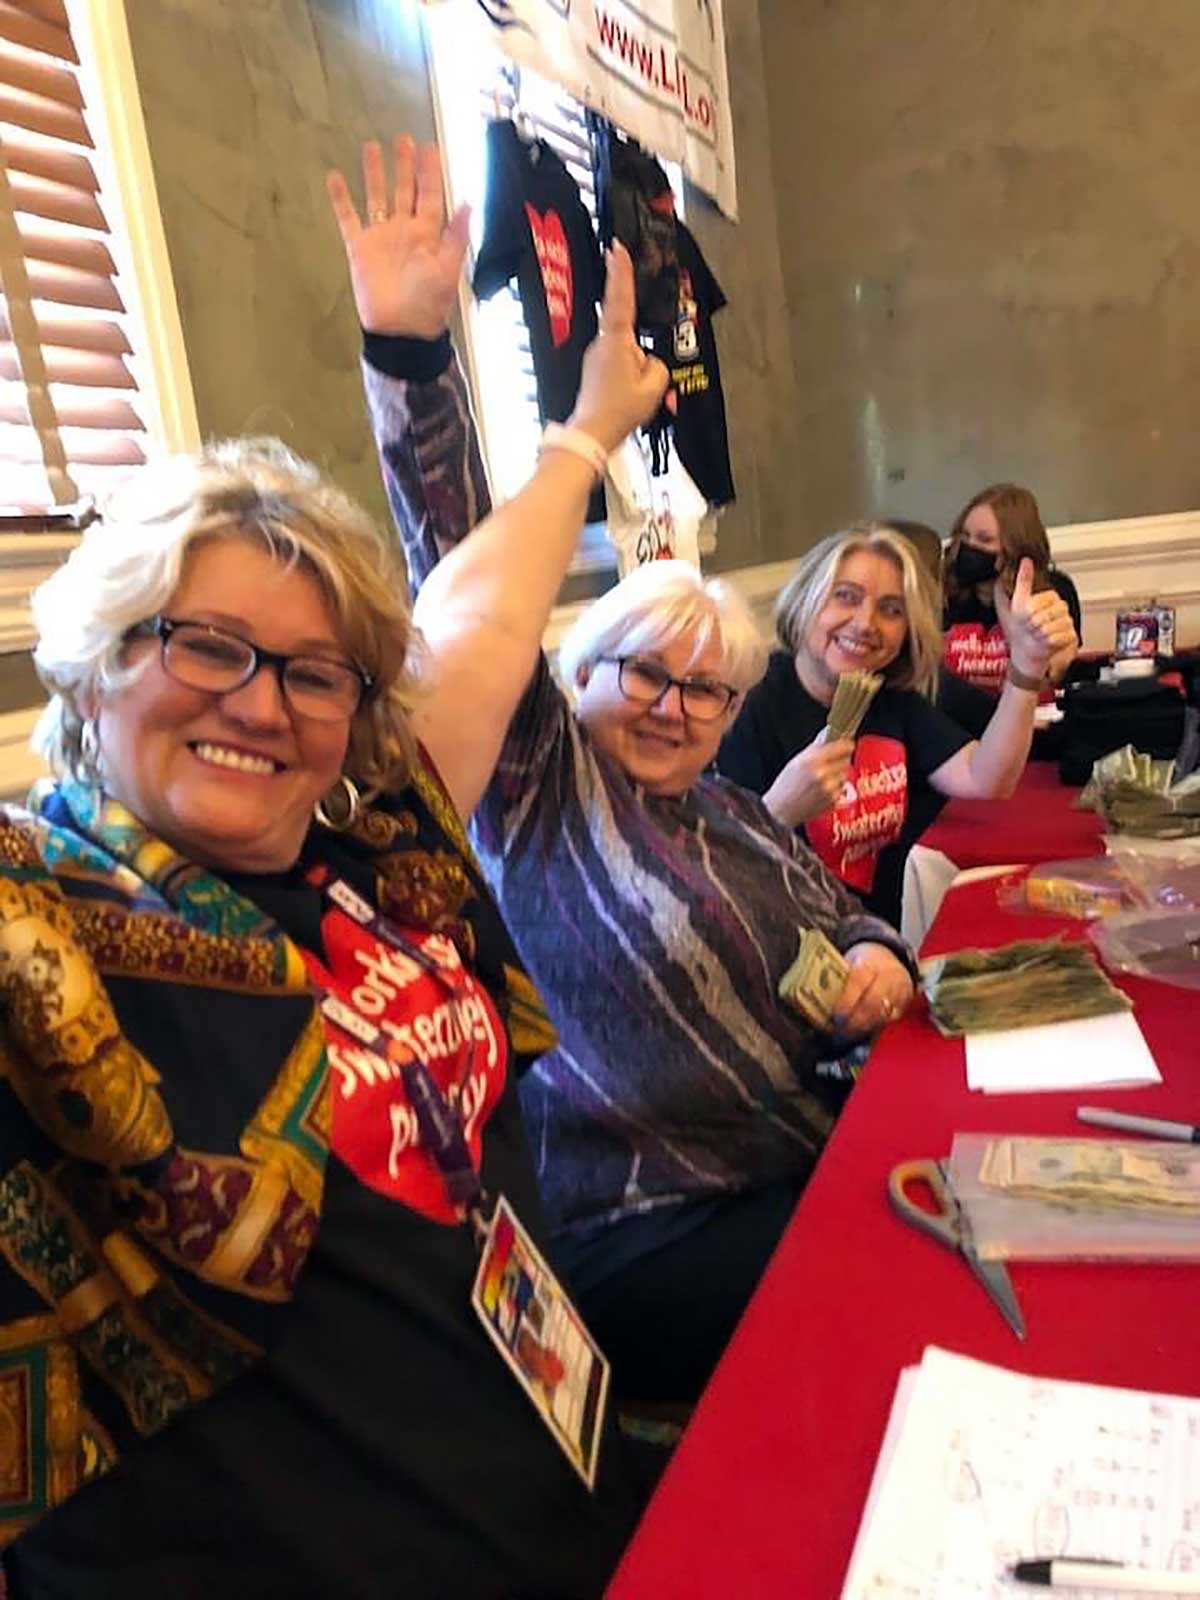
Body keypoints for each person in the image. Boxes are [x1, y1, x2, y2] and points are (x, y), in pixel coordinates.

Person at [0, 137, 664, 1600]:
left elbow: (482, 620)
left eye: (312, 671)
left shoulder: (378, 848)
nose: (261, 704)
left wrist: (580, 437)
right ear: (95, 667)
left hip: (561, 1480)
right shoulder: (44, 914)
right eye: (203, 646)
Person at [339, 140, 919, 1405]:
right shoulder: (540, 789)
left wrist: (879, 957)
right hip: (641, 1224)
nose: (673, 705)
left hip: (785, 1161)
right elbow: (462, 565)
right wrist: (411, 353)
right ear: (577, 673)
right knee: (895, 1294)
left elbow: (847, 916)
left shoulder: (730, 813)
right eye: (643, 673)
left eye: (706, 689)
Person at [718, 524, 1079, 928]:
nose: (865, 623)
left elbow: (988, 779)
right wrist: (780, 810)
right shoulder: (745, 704)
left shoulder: (889, 697)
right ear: (805, 600)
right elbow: (718, 868)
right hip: (782, 940)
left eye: (891, 609)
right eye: (846, 596)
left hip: (878, 939)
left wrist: (1027, 665)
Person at [943, 482, 1082, 694]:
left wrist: (1002, 596)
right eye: (964, 535)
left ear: (1014, 546)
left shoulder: (1054, 591)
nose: (969, 546)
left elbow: (1051, 677)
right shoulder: (944, 592)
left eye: (984, 539)